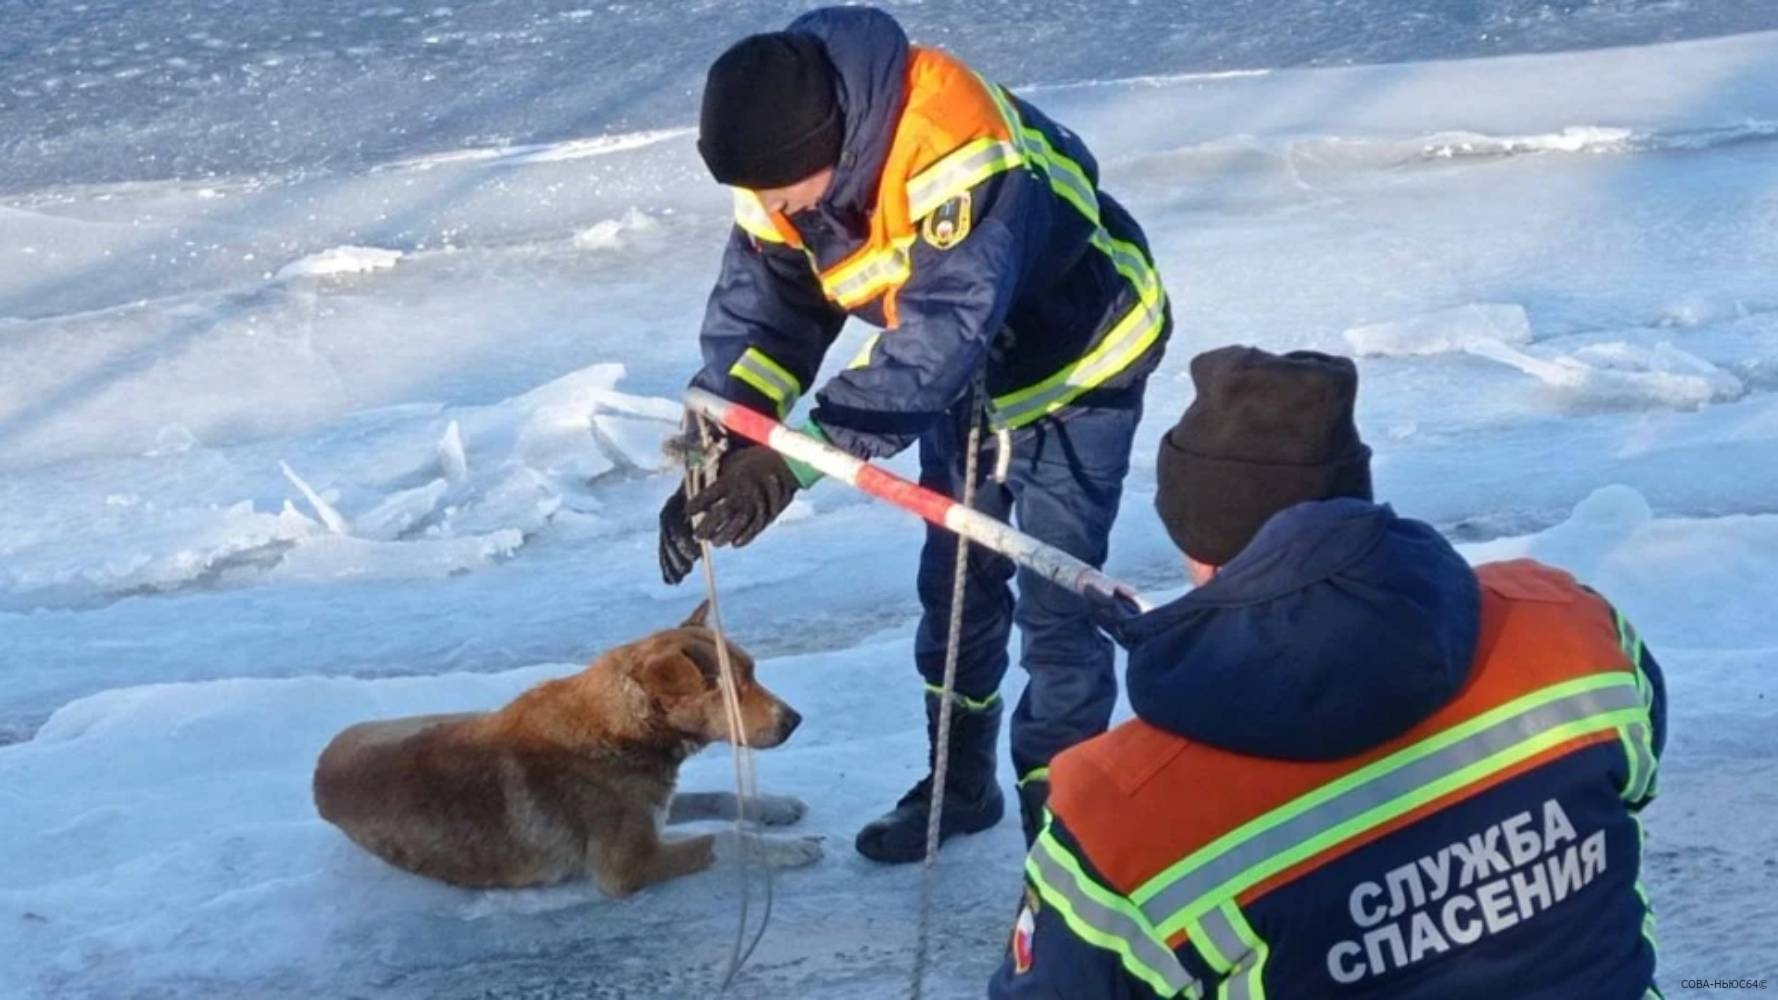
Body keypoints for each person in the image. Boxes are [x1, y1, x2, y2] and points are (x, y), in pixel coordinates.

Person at [657, 5, 1172, 863]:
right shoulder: (782, 169)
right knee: (958, 590)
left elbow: (942, 333)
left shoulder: (953, 144)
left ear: (827, 145)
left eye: (781, 192)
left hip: (1077, 373)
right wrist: (720, 447)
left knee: (1058, 606)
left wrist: (790, 467)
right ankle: (960, 785)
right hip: (963, 386)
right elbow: (768, 315)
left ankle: (1062, 828)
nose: (771, 209)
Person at [992, 346, 1666, 998]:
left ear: (1193, 536)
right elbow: (1632, 780)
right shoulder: (1570, 626)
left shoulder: (1120, 813)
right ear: (1355, 500)